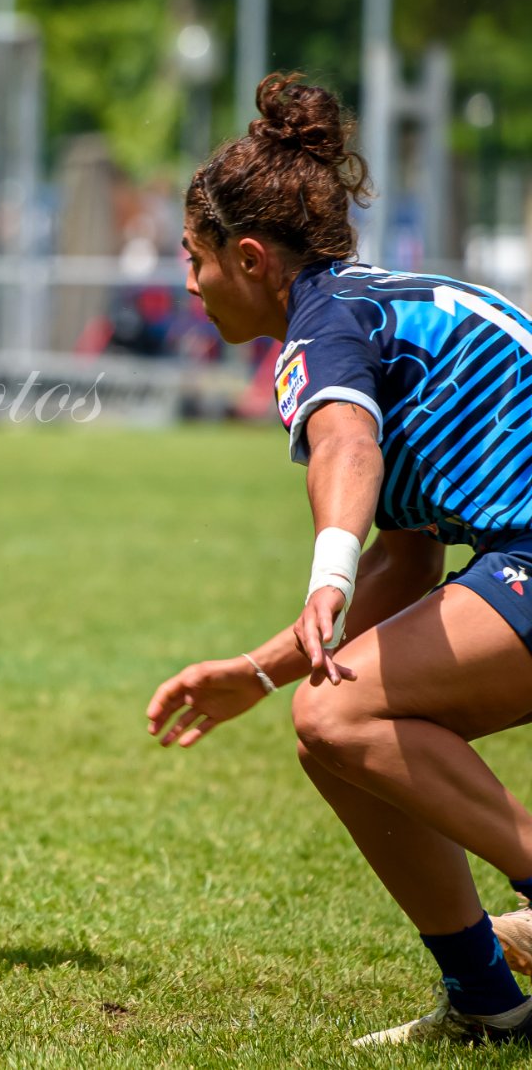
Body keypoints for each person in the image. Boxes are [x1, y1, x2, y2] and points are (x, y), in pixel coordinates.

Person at [146, 72, 532, 1046]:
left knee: (340, 709)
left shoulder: (323, 327)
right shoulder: (358, 313)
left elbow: (346, 449)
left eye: (191, 261)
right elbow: (403, 563)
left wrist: (324, 573)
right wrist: (259, 669)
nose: (187, 286)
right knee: (328, 728)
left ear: (244, 255)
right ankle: (488, 1000)